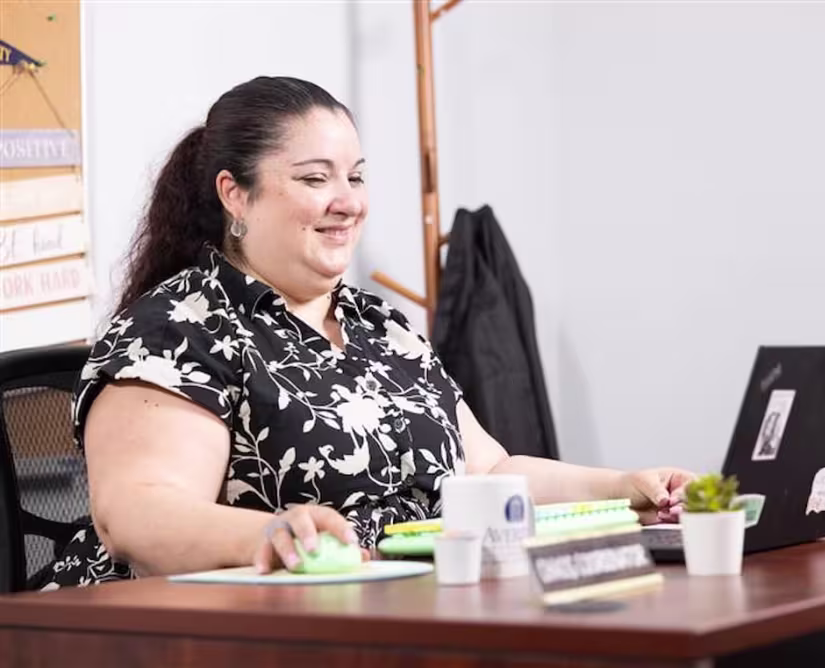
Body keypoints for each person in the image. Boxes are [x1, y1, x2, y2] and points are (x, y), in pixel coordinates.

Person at [35, 76, 695, 590]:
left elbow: (488, 470)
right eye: (314, 178)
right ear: (236, 195)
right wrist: (271, 535)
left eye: (354, 176)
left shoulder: (380, 325)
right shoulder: (177, 328)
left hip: (385, 608)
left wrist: (627, 487)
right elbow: (137, 514)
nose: (347, 199)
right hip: (178, 633)